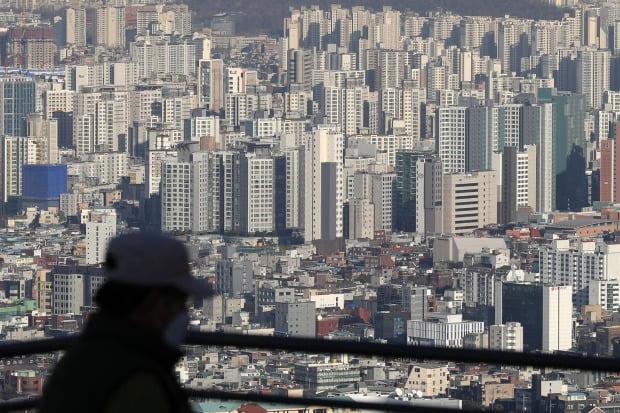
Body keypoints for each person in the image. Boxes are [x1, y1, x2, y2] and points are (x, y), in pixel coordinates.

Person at [39, 232, 213, 413]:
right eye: (180, 301)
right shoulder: (138, 379)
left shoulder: (83, 355)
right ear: (155, 301)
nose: (182, 312)